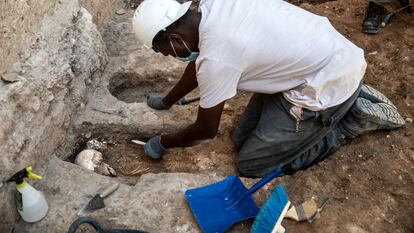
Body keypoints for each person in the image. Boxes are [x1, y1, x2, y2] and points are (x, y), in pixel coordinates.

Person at [132, 0, 405, 178]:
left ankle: (349, 121)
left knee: (252, 164)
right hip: (313, 58)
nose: (169, 57)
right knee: (241, 138)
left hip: (326, 81)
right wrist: (168, 101)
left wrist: (162, 142)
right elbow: (197, 59)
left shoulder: (218, 57)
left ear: (176, 37)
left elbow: (205, 130)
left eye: (165, 52)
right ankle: (344, 101)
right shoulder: (209, 8)